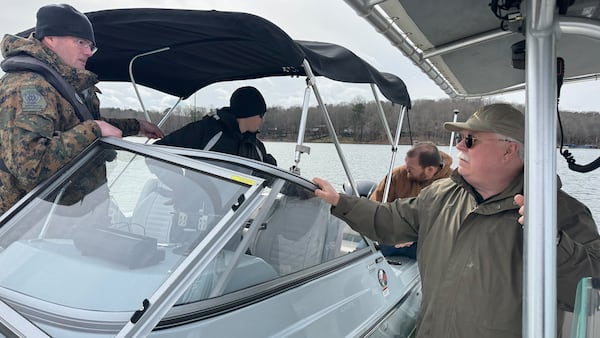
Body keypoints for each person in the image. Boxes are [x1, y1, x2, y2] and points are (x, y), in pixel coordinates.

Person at [313, 103, 600, 338]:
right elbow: (391, 219)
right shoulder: (440, 193)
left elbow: (589, 290)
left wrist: (552, 241)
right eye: (460, 137)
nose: (459, 146)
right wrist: (341, 202)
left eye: (470, 139)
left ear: (509, 150)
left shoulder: (560, 211)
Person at [0, 4, 164, 214]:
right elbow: (32, 166)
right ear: (50, 38)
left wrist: (136, 126)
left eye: (90, 45)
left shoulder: (64, 82)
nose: (88, 52)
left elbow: (80, 124)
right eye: (80, 42)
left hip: (76, 214)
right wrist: (93, 130)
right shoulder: (27, 87)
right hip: (35, 224)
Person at [155, 86, 277, 166]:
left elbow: (270, 177)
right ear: (248, 114)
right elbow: (158, 151)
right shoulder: (206, 130)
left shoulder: (256, 147)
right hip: (196, 205)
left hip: (240, 206)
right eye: (261, 115)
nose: (262, 121)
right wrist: (179, 186)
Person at [369, 142, 452, 258]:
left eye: (410, 169)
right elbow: (374, 207)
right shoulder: (397, 175)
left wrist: (414, 236)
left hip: (429, 244)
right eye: (406, 165)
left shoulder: (453, 183)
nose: (405, 170)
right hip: (391, 238)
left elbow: (453, 223)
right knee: (363, 251)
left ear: (430, 170)